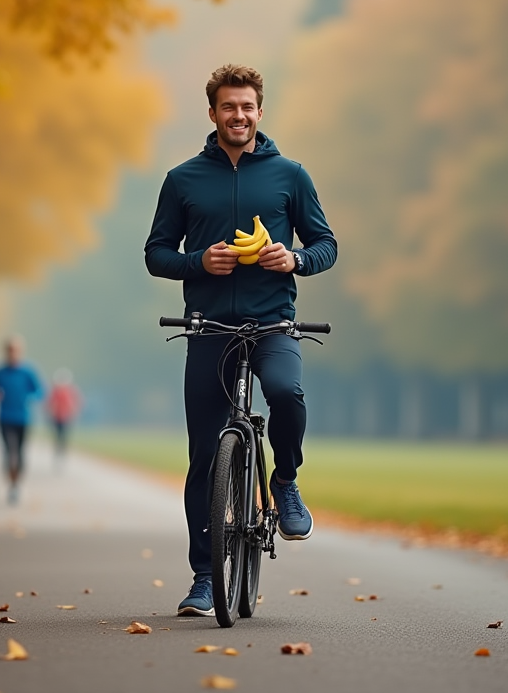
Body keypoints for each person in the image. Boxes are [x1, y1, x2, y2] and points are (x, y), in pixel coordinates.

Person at [144, 64, 337, 617]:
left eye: (248, 106)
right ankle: (205, 578)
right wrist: (196, 261)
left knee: (286, 394)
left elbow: (326, 244)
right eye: (229, 107)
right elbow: (156, 254)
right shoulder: (183, 179)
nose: (239, 115)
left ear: (260, 110)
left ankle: (286, 479)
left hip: (273, 321)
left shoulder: (290, 175)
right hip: (208, 326)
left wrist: (294, 257)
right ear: (213, 113)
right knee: (204, 456)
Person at [0, 336, 43, 505]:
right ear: (5, 352)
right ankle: (11, 485)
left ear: (21, 352)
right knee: (8, 452)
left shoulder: (29, 372)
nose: (13, 353)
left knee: (19, 452)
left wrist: (28, 397)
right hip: (5, 417)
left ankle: (17, 483)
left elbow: (40, 392)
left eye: (16, 350)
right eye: (10, 350)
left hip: (23, 418)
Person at [48, 368, 82, 465]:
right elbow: (51, 404)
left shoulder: (70, 391)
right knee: (58, 435)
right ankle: (58, 450)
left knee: (64, 436)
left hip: (66, 418)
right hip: (57, 418)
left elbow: (75, 403)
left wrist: (73, 412)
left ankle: (62, 450)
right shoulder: (56, 392)